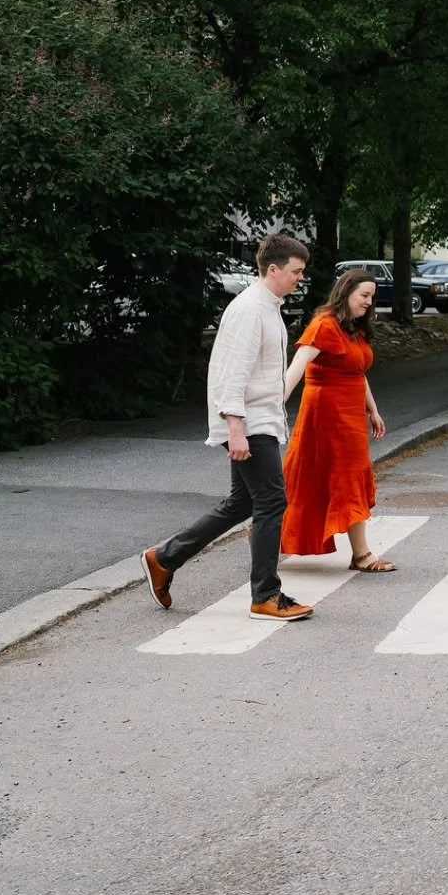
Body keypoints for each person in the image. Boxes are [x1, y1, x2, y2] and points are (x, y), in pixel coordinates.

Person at [141, 233, 314, 622]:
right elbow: (232, 373)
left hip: (257, 418)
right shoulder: (250, 310)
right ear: (274, 269)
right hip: (248, 422)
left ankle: (164, 558)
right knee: (272, 501)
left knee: (244, 502)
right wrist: (235, 427)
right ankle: (266, 596)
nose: (300, 278)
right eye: (296, 271)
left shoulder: (267, 307)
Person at [280, 269, 394, 572]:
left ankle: (266, 536)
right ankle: (362, 555)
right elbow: (299, 364)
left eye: (372, 297)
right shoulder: (325, 325)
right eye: (364, 295)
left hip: (351, 415)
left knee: (348, 477)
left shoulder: (352, 328)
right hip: (327, 416)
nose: (369, 302)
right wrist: (276, 403)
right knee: (331, 477)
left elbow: (357, 371)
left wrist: (373, 410)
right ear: (346, 293)